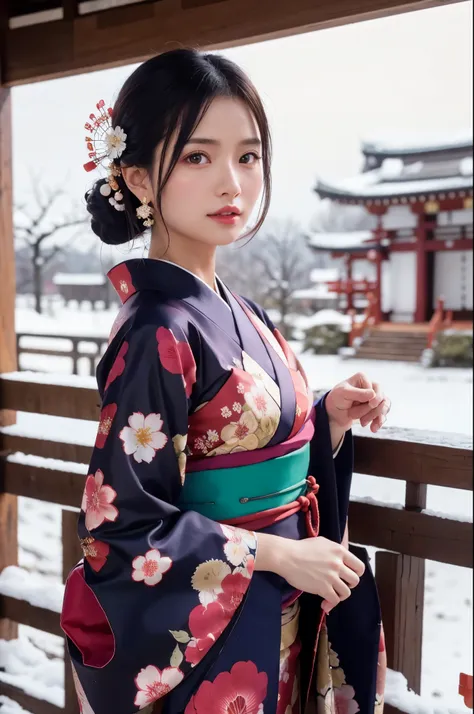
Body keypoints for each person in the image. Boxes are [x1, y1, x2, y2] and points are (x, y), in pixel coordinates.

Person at [61, 48, 390, 714]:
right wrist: (275, 554)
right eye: (197, 157)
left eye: (247, 156)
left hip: (278, 606)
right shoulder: (157, 330)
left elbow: (240, 440)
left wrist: (323, 418)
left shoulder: (242, 311)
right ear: (141, 179)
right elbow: (124, 526)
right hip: (221, 631)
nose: (231, 185)